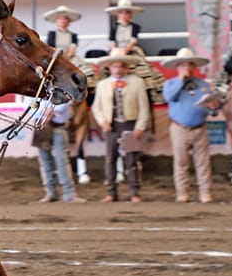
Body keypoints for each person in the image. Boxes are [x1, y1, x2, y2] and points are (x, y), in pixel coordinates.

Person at [91, 49, 151, 203]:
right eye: (115, 66)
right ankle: (111, 193)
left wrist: (139, 126)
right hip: (111, 125)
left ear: (126, 68)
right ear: (110, 68)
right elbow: (96, 107)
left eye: (121, 66)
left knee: (131, 160)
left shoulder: (137, 82)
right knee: (110, 159)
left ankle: (134, 192)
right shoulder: (102, 84)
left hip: (130, 124)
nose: (118, 70)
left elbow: (144, 107)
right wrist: (103, 121)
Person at [162, 48, 217, 203]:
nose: (187, 68)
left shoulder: (204, 85)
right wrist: (181, 80)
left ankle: (205, 193)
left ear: (194, 67)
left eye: (190, 64)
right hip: (179, 128)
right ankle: (182, 193)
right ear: (177, 67)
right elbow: (169, 97)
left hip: (200, 127)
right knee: (181, 162)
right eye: (183, 65)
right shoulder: (170, 84)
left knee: (203, 163)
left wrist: (213, 107)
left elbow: (212, 111)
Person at [31, 101, 86, 204]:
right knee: (47, 161)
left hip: (55, 124)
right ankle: (54, 193)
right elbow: (29, 104)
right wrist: (45, 111)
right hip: (43, 124)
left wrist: (50, 111)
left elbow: (67, 101)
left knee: (60, 160)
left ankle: (66, 193)